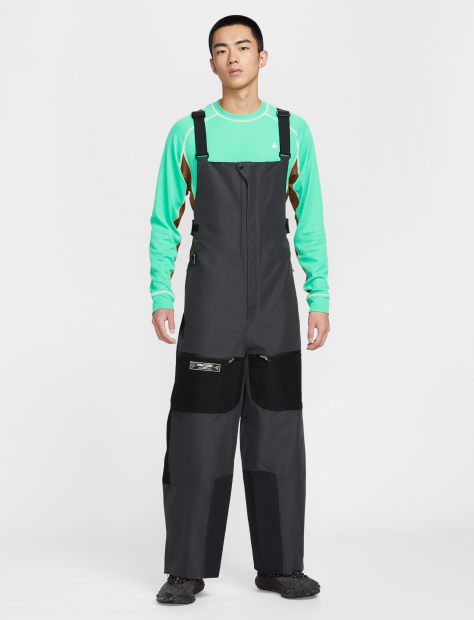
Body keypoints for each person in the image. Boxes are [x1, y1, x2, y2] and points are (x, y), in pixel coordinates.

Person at [148, 14, 330, 605]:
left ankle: (280, 567)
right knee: (197, 436)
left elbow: (310, 220)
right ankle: (186, 570)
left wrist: (320, 297)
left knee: (278, 434)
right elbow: (164, 221)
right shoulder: (189, 133)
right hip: (211, 309)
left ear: (262, 57)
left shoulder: (291, 132)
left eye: (243, 47)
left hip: (275, 307)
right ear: (211, 63)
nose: (233, 57)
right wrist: (161, 292)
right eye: (222, 49)